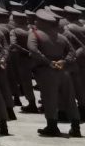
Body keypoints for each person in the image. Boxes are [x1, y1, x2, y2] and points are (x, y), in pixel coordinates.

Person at [28, 9, 81, 137]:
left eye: (38, 20)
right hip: (63, 71)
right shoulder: (61, 37)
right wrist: (64, 61)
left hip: (46, 71)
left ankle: (52, 126)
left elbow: (33, 49)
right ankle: (76, 127)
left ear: (41, 22)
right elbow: (72, 52)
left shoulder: (35, 34)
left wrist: (48, 62)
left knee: (49, 99)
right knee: (70, 99)